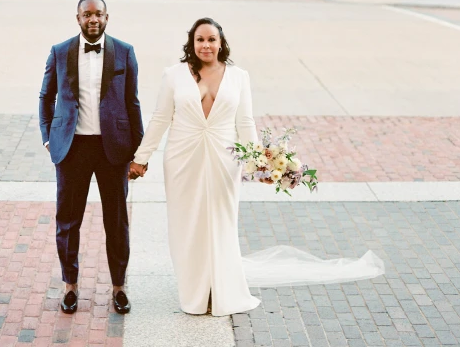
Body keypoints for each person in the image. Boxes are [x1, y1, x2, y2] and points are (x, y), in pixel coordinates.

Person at [129, 17, 385, 317]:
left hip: (225, 160)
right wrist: (141, 158)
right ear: (192, 43)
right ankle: (194, 293)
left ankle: (220, 290)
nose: (206, 45)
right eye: (200, 39)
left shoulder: (239, 77)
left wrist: (258, 165)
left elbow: (245, 122)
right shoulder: (173, 75)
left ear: (221, 42)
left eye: (212, 39)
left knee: (222, 223)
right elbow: (160, 118)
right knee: (187, 225)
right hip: (182, 158)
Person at [39, 0, 144, 316]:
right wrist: (48, 139)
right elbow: (46, 96)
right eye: (87, 15)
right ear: (78, 18)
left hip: (113, 149)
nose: (93, 19)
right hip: (72, 149)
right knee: (68, 221)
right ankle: (69, 285)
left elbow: (133, 102)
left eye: (98, 14)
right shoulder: (60, 52)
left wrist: (138, 150)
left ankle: (119, 287)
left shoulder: (125, 52)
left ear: (107, 18)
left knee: (117, 221)